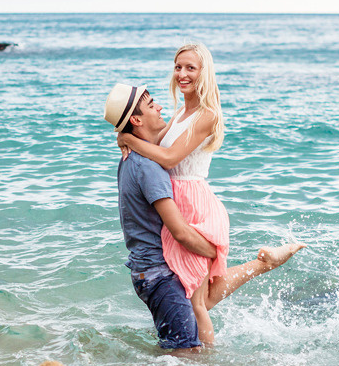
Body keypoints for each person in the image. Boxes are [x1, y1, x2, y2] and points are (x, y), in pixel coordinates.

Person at [106, 49, 304, 347]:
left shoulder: (207, 115)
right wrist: (124, 135)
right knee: (199, 296)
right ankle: (265, 262)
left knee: (197, 302)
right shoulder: (178, 115)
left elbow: (169, 157)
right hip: (180, 202)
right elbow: (153, 145)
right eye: (178, 67)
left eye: (191, 68)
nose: (182, 74)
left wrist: (128, 138)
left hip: (193, 206)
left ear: (204, 72)